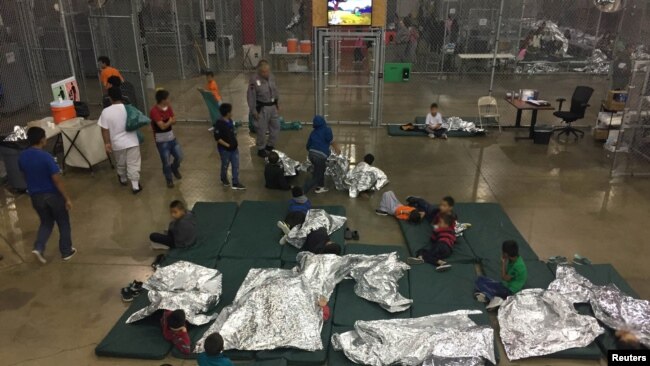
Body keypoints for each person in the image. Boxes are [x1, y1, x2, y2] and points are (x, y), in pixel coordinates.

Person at [19, 127, 76, 264]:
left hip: (35, 197)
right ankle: (66, 251)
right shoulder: (46, 157)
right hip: (52, 196)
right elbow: (57, 180)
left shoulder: (22, 156)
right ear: (42, 139)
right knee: (63, 222)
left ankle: (38, 247)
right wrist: (66, 198)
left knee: (46, 222)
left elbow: (24, 174)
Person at [99, 86, 143, 194]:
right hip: (132, 141)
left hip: (117, 144)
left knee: (121, 162)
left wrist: (107, 143)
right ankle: (135, 186)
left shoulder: (106, 112)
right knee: (133, 163)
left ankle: (123, 179)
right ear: (121, 96)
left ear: (110, 98)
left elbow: (104, 129)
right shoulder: (128, 108)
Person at [474, 240, 528, 309]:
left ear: (506, 254)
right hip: (506, 284)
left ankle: (495, 299)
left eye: (503, 252)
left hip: (510, 290)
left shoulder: (517, 267)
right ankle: (493, 296)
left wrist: (503, 263)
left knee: (480, 283)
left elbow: (504, 277)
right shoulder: (515, 259)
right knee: (480, 279)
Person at [150, 89, 183, 188]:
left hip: (172, 138)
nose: (169, 100)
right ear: (162, 100)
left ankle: (175, 168)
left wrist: (168, 121)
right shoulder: (154, 111)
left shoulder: (168, 108)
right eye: (167, 98)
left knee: (179, 156)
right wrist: (169, 121)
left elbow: (174, 119)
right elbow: (162, 126)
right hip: (161, 141)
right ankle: (169, 179)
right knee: (166, 161)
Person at [247, 60, 280, 157]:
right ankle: (261, 148)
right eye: (264, 72)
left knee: (276, 127)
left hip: (272, 106)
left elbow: (275, 90)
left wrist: (277, 104)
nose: (266, 74)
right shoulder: (254, 80)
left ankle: (270, 145)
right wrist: (253, 111)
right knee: (261, 129)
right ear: (260, 71)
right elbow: (251, 96)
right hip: (262, 108)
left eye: (267, 71)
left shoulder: (272, 77)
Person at [303, 115, 340, 194]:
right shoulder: (327, 130)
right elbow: (330, 140)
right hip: (320, 156)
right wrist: (337, 149)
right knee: (318, 175)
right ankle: (305, 188)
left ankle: (320, 187)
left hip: (311, 154)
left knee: (319, 170)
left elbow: (307, 146)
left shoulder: (313, 133)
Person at [214, 103, 245, 190]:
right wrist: (227, 145)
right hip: (225, 150)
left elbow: (232, 131)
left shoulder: (230, 120)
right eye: (230, 111)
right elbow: (217, 138)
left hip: (234, 148)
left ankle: (235, 182)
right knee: (225, 165)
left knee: (236, 165)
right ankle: (223, 178)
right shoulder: (219, 124)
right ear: (227, 113)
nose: (232, 113)